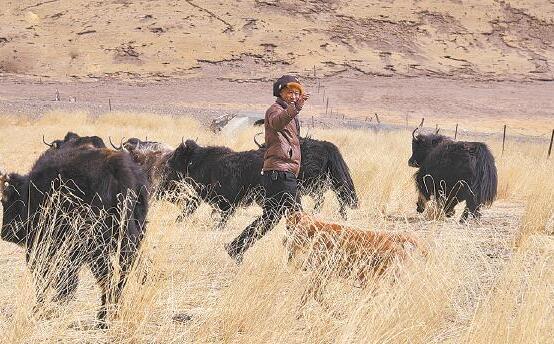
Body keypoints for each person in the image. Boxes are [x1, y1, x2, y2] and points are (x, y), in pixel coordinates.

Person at [225, 75, 309, 262]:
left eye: (297, 93)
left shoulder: (290, 113)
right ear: (280, 92)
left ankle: (237, 247)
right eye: (290, 92)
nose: (294, 96)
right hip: (280, 172)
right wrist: (296, 108)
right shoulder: (274, 110)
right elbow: (278, 122)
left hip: (282, 171)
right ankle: (302, 259)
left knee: (271, 217)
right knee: (298, 217)